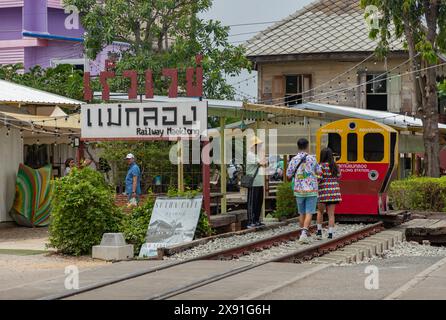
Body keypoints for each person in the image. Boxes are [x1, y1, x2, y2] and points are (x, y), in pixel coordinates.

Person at [286, 138, 322, 244]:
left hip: (298, 189)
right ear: (307, 146)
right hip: (311, 189)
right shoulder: (312, 158)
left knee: (301, 213)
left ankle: (303, 233)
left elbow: (288, 175)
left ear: (298, 146)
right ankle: (304, 233)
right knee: (309, 212)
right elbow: (319, 172)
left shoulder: (294, 159)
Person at [316, 147, 342, 240]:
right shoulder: (336, 166)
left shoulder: (320, 166)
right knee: (331, 214)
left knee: (320, 212)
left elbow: (318, 178)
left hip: (323, 191)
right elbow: (339, 176)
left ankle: (319, 232)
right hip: (334, 192)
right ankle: (330, 233)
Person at [246, 136, 267, 228]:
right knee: (252, 202)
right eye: (257, 145)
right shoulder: (250, 154)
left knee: (258, 202)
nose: (259, 147)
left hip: (259, 182)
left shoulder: (256, 155)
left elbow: (265, 164)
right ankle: (251, 221)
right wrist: (264, 161)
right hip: (253, 183)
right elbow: (263, 163)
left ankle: (257, 220)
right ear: (252, 146)